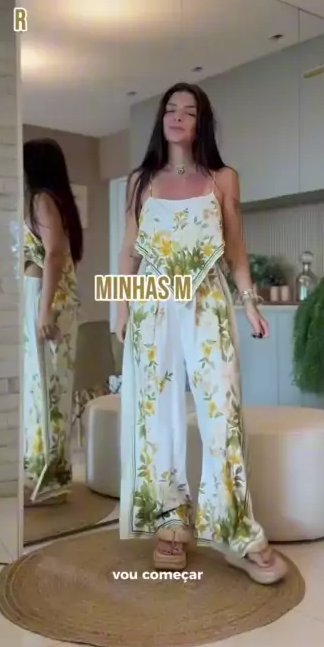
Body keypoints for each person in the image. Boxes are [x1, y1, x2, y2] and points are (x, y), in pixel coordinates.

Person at [116, 83, 287, 584]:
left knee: (222, 413)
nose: (177, 116)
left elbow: (236, 248)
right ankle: (170, 522)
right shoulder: (140, 181)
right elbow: (129, 250)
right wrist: (120, 308)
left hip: (208, 299)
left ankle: (237, 531)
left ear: (201, 123)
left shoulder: (223, 179)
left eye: (188, 111)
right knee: (157, 415)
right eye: (170, 109)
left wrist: (249, 302)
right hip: (152, 300)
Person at [23, 138, 83, 506]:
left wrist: (45, 309)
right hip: (51, 299)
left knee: (49, 390)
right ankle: (44, 478)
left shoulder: (42, 199)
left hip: (50, 302)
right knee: (45, 389)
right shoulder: (51, 200)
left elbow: (55, 254)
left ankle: (50, 482)